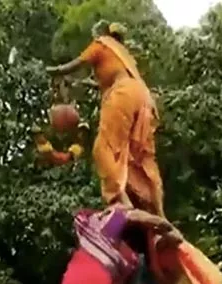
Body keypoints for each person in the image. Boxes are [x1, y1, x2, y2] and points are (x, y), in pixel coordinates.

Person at [46, 20, 164, 217]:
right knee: (140, 159)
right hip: (143, 99)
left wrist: (53, 71)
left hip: (123, 94)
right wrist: (81, 83)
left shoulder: (102, 43)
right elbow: (107, 81)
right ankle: (159, 215)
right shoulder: (123, 56)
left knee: (103, 149)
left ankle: (121, 202)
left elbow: (75, 64)